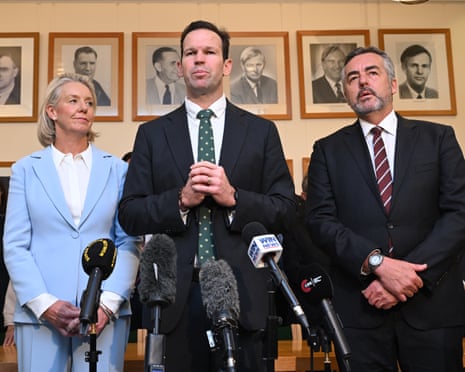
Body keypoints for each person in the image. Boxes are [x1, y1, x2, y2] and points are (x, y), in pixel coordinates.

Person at [118, 20, 295, 372]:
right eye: (190, 53)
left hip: (244, 294)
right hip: (175, 300)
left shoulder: (261, 132)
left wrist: (234, 198)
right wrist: (179, 201)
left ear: (226, 65)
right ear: (180, 66)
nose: (199, 60)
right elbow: (130, 212)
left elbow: (286, 209)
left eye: (209, 52)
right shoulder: (151, 134)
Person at [306, 46, 465, 372]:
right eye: (352, 78)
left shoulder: (438, 139)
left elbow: (459, 214)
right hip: (361, 310)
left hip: (432, 308)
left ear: (393, 84)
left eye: (372, 73)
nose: (362, 82)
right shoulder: (327, 150)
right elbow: (320, 221)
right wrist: (376, 263)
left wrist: (405, 276)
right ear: (345, 92)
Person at [2, 73, 139, 371]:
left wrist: (108, 304)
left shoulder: (118, 170)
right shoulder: (25, 170)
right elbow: (14, 245)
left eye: (89, 102)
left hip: (104, 317)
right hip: (39, 316)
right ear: (52, 111)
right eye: (73, 100)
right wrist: (44, 304)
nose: (84, 108)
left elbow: (129, 242)